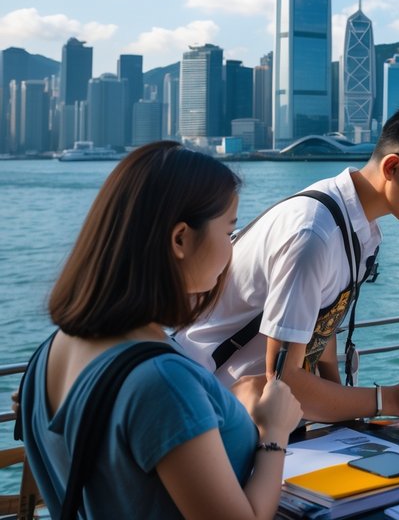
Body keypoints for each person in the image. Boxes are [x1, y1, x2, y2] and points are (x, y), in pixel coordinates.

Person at [20, 141, 304, 519]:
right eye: (228, 231)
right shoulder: (162, 381)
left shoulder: (49, 354)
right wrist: (275, 433)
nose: (231, 248)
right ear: (181, 239)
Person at [176, 100, 399, 422]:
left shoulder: (357, 227)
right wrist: (390, 400)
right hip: (204, 409)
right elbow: (283, 380)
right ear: (392, 168)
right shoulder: (314, 234)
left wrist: (347, 418)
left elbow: (322, 325)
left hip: (251, 414)